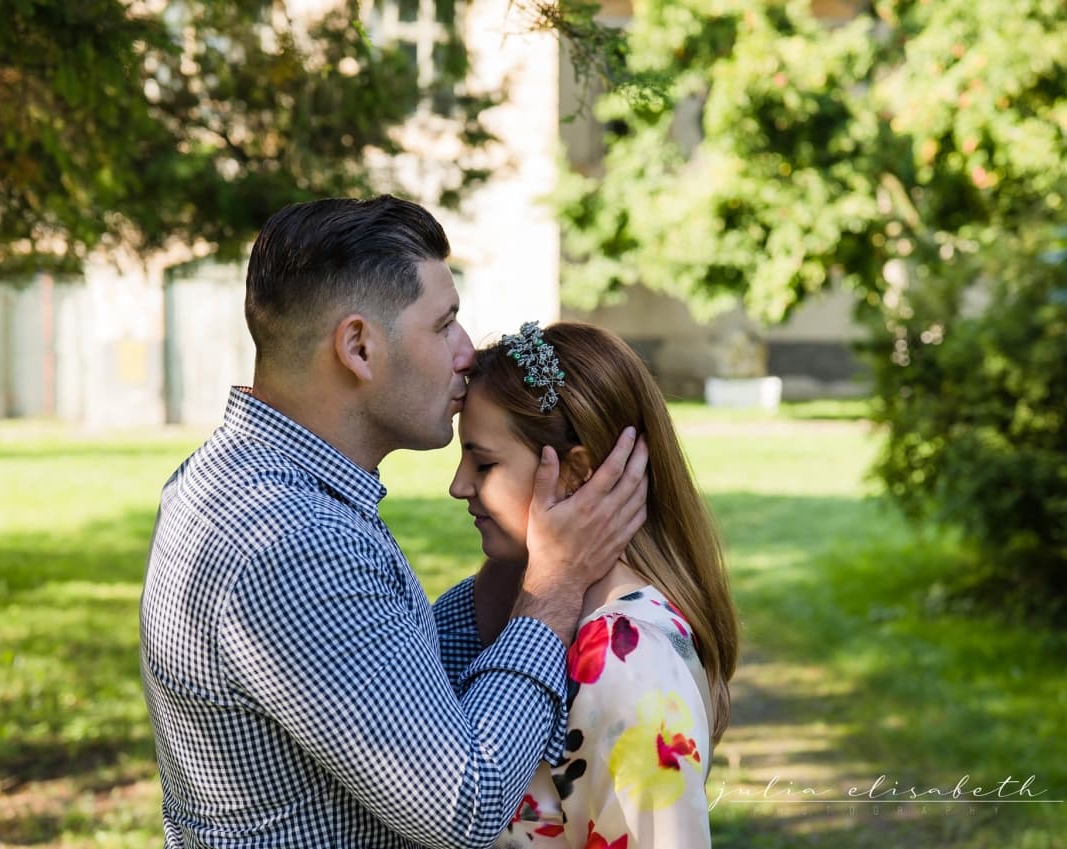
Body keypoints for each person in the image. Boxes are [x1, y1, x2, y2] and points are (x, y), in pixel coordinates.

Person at [139, 196, 650, 849]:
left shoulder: (234, 479)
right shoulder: (292, 538)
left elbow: (385, 677)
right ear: (358, 347)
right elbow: (462, 805)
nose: (468, 353)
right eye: (445, 324)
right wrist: (552, 590)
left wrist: (521, 567)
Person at [439, 321, 739, 848]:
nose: (458, 485)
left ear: (574, 471)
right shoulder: (519, 610)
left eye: (484, 463)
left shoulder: (628, 660)